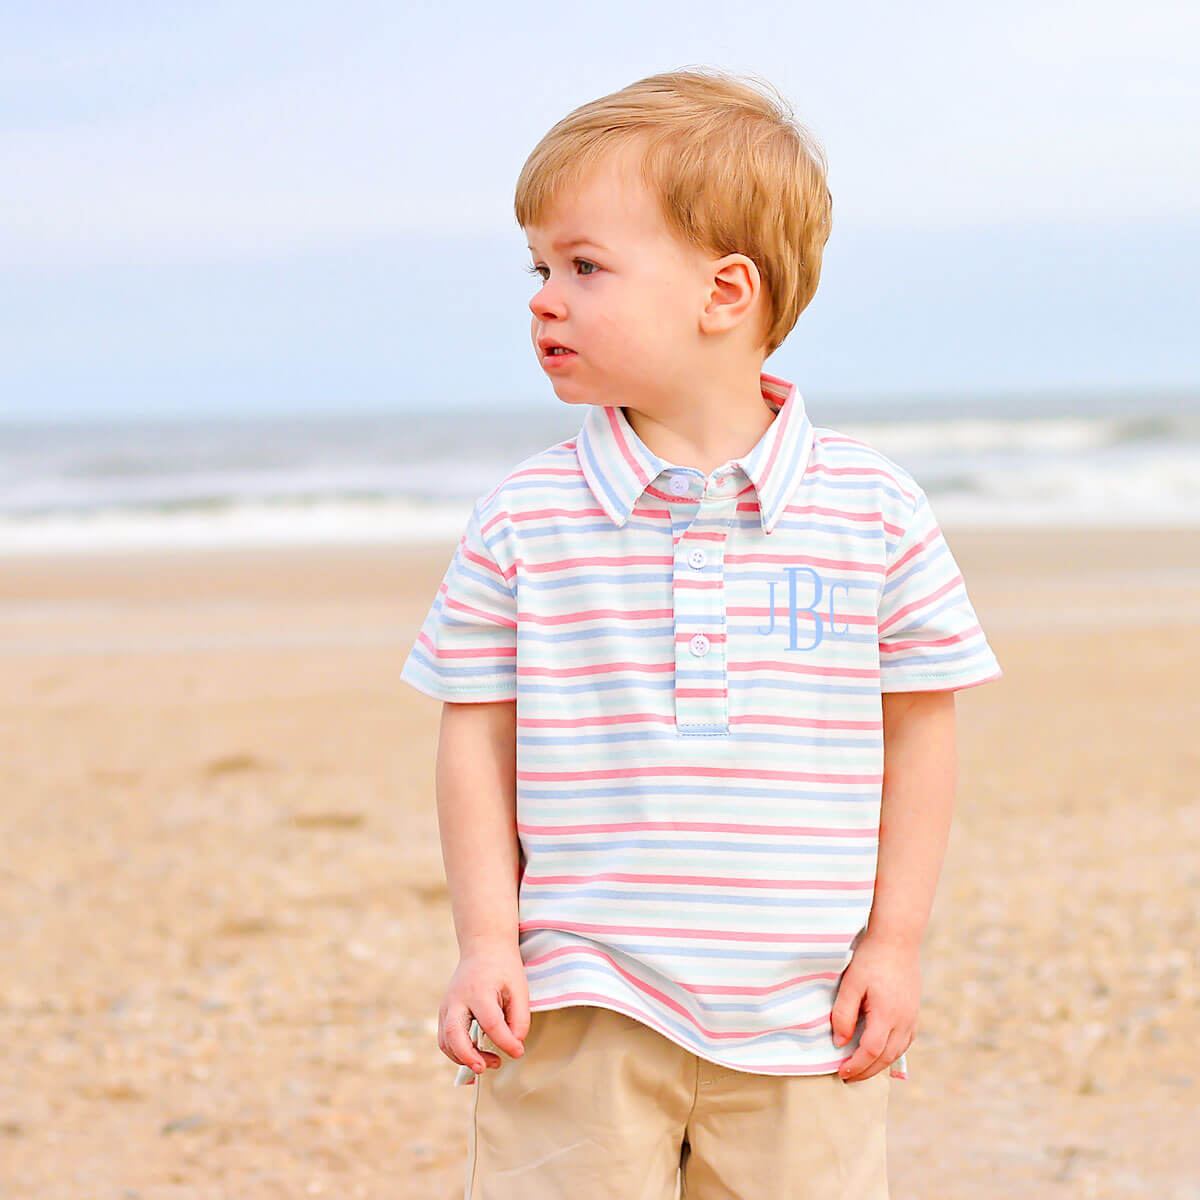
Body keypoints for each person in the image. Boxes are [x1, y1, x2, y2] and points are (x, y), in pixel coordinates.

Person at [400, 65, 1003, 1200]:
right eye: (539, 266)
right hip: (579, 1002)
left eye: (584, 266)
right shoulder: (525, 520)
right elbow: (473, 739)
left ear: (725, 293)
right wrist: (486, 943)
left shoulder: (874, 511)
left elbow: (921, 733)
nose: (542, 297)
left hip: (804, 1015)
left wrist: (895, 944)